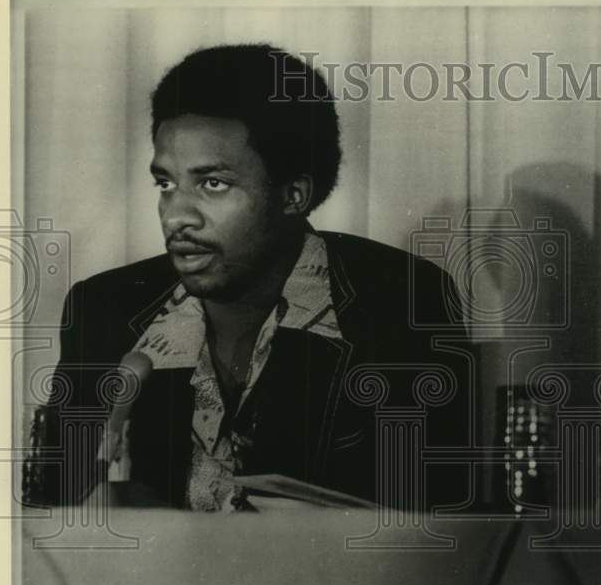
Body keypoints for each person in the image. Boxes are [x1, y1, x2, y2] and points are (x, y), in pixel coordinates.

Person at [29, 44, 471, 512]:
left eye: (212, 183)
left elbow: (439, 520)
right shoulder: (105, 308)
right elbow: (52, 510)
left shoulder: (398, 301)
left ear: (293, 194)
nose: (176, 215)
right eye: (166, 183)